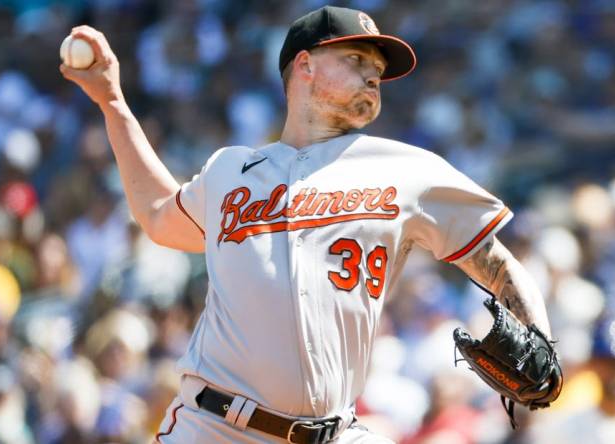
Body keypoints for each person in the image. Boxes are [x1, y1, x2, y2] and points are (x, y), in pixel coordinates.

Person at [60, 6, 554, 443]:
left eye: (377, 70)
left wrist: (541, 341)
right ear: (304, 65)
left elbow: (495, 262)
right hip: (213, 427)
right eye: (356, 61)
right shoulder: (231, 169)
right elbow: (158, 216)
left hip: (334, 432)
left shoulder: (408, 170)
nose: (372, 77)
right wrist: (112, 102)